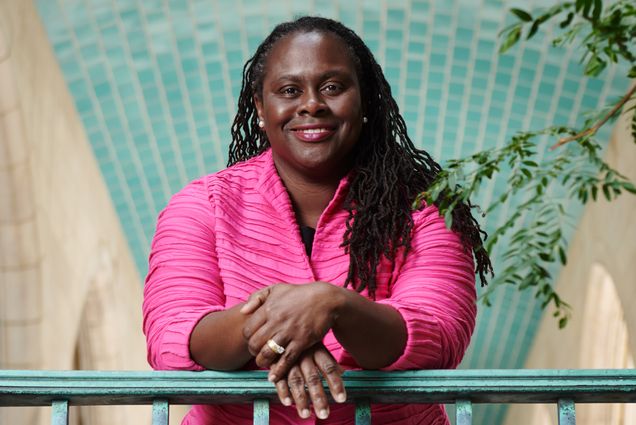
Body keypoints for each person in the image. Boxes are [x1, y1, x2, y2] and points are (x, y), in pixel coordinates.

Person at [143, 16, 492, 425]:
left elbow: (440, 336)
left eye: (332, 87)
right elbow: (171, 339)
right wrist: (289, 327)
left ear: (365, 100)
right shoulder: (203, 204)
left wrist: (333, 305)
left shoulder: (426, 206)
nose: (311, 104)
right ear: (260, 106)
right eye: (289, 90)